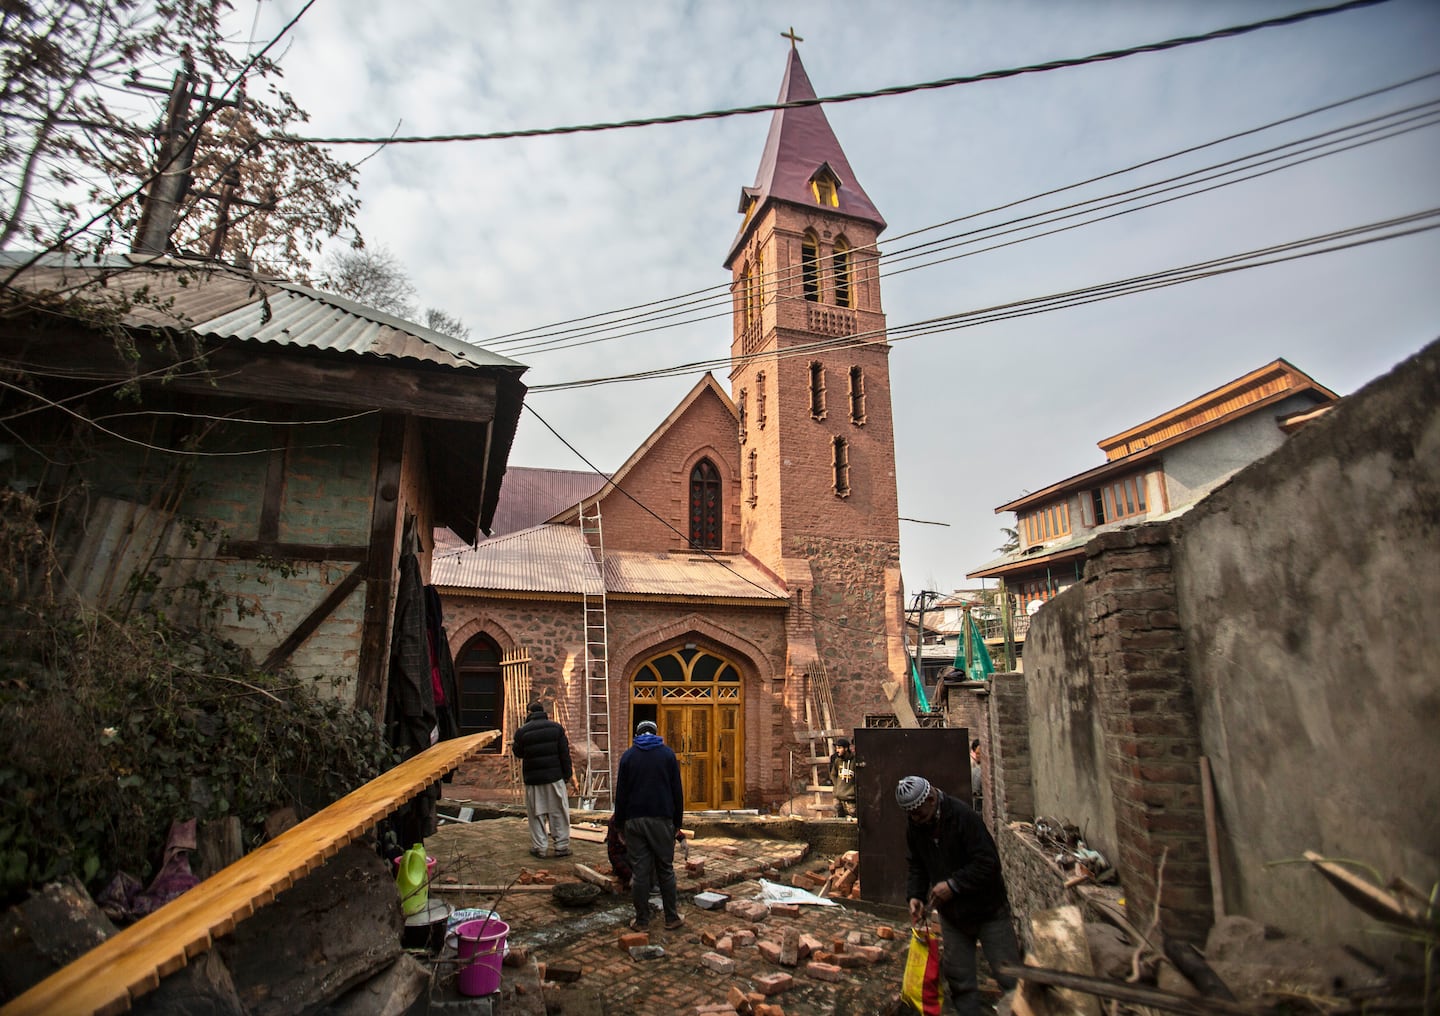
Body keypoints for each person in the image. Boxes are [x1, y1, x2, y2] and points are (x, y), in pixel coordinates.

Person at [897, 775, 1019, 1016]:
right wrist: (915, 896)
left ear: (931, 799)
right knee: (960, 981)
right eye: (911, 816)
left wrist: (954, 885)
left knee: (1010, 977)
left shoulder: (963, 817)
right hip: (953, 916)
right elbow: (918, 864)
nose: (916, 820)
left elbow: (988, 863)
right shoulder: (917, 826)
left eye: (919, 814)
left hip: (988, 911)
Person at [613, 719, 685, 931]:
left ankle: (642, 920)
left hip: (634, 821)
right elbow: (677, 792)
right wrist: (677, 824)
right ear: (655, 733)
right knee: (665, 869)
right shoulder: (667, 755)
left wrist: (619, 825)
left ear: (637, 734)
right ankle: (671, 918)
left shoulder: (628, 756)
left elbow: (621, 795)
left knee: (641, 872)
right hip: (661, 820)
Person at [512, 701, 575, 858]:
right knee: (558, 812)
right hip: (554, 777)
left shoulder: (522, 731)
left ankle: (540, 847)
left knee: (536, 814)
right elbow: (564, 755)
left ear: (529, 713)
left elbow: (518, 753)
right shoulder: (556, 728)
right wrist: (567, 775)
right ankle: (561, 846)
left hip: (533, 779)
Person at [827, 737, 857, 819]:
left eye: (839, 748)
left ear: (846, 748)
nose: (837, 750)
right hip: (838, 798)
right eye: (836, 748)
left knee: (853, 820)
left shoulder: (855, 761)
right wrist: (837, 787)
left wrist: (853, 789)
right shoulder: (837, 761)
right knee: (838, 820)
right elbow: (833, 774)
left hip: (850, 799)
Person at [970, 738, 984, 821]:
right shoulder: (976, 770)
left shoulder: (978, 771)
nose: (977, 756)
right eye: (977, 753)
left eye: (979, 754)